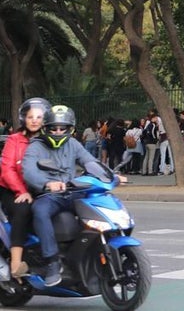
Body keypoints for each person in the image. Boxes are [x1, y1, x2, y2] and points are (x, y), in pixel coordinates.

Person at [23, 104, 122, 287]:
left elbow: (90, 161)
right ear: (46, 128)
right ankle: (52, 261)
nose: (58, 131)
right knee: (40, 211)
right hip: (48, 196)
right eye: (54, 128)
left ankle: (94, 248)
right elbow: (28, 171)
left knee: (100, 201)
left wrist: (110, 175)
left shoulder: (73, 144)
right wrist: (47, 183)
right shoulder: (35, 147)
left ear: (70, 129)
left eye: (63, 128)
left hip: (72, 192)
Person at [1, 97, 51, 281]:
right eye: (30, 117)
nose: (35, 120)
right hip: (11, 189)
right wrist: (21, 191)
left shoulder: (50, 140)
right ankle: (16, 264)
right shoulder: (14, 140)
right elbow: (7, 170)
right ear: (24, 119)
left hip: (41, 189)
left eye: (39, 117)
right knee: (23, 210)